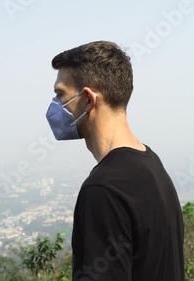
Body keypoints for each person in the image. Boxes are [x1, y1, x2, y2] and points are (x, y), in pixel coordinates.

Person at [45, 41, 185, 281]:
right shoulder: (151, 164)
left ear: (88, 99)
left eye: (60, 95)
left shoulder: (103, 189)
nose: (54, 106)